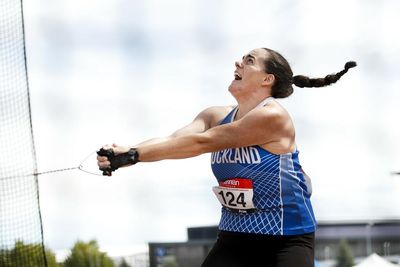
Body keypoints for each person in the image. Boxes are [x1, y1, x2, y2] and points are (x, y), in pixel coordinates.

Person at [97, 47, 356, 267]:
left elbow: (202, 143)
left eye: (249, 60)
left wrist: (134, 155)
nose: (238, 63)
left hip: (286, 236)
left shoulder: (272, 116)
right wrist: (125, 152)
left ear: (267, 79)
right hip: (235, 233)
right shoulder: (214, 115)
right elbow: (175, 141)